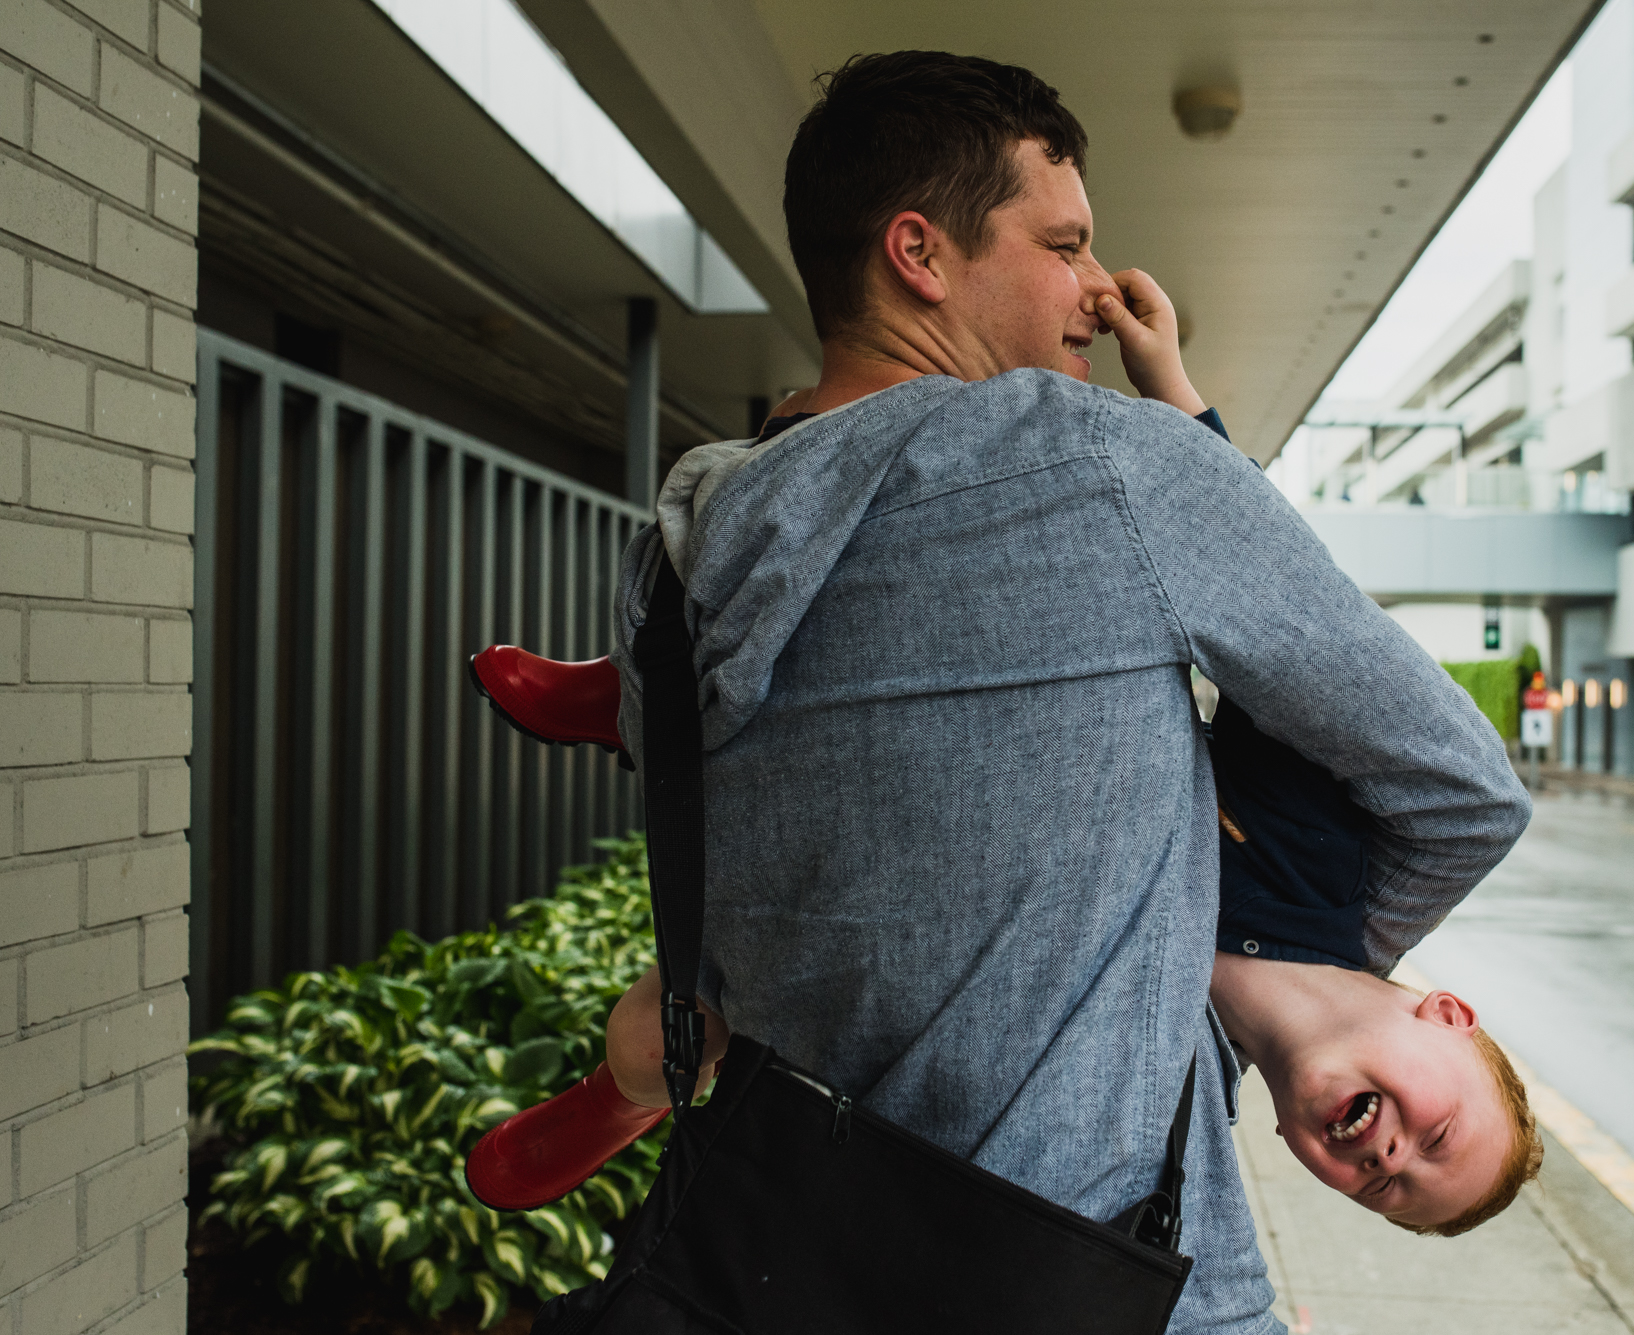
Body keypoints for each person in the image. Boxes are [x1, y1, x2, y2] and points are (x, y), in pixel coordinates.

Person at [476, 50, 1533, 1330]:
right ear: (919, 253)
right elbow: (1462, 786)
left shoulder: (676, 557)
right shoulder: (1109, 467)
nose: (1096, 290)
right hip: (1088, 1279)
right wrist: (1317, 948)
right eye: (1065, 244)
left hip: (795, 1246)